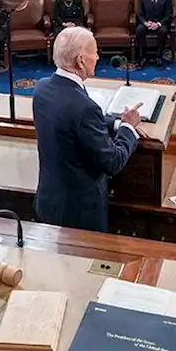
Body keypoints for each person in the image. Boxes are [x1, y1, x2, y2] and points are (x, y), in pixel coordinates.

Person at [32, 26, 146, 232]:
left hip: (49, 200)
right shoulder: (85, 108)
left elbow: (72, 120)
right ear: (81, 61)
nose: (98, 56)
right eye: (94, 52)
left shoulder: (41, 88)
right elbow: (113, 162)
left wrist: (117, 122)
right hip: (79, 214)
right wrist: (129, 128)